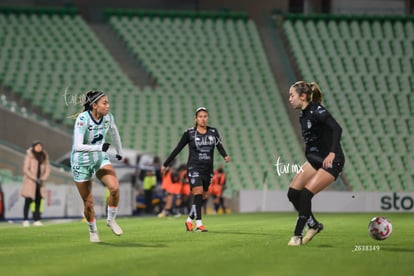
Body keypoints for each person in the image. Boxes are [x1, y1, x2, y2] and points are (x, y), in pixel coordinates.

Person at [286, 81, 345, 246]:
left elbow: (337, 129)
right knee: (292, 193)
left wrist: (333, 152)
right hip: (314, 160)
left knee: (305, 194)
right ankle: (314, 225)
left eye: (292, 95)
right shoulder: (303, 114)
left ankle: (297, 235)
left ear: (303, 96)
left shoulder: (317, 110)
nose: (289, 99)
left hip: (331, 161)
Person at [161, 107, 230, 232]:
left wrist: (225, 155)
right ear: (196, 119)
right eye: (200, 117)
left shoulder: (213, 132)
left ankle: (189, 220)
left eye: (205, 116)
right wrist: (165, 164)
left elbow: (219, 145)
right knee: (197, 192)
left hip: (208, 169)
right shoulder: (189, 133)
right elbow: (178, 149)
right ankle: (199, 224)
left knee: (203, 196)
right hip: (194, 167)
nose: (203, 119)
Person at [71, 90, 124, 243]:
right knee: (88, 203)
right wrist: (99, 147)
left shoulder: (108, 117)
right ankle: (93, 230)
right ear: (94, 105)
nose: (108, 106)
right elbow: (78, 146)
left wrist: (120, 152)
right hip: (81, 162)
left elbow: (114, 132)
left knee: (114, 188)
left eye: (108, 102)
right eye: (104, 103)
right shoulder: (83, 119)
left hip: (100, 159)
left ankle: (111, 220)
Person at [21, 140, 50, 227]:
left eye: (40, 146)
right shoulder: (29, 156)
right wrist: (34, 178)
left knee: (38, 201)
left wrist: (42, 178)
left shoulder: (44, 156)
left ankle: (36, 219)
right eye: (37, 146)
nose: (39, 148)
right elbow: (26, 169)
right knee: (28, 201)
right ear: (33, 147)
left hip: (40, 183)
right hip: (30, 182)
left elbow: (47, 169)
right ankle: (25, 220)